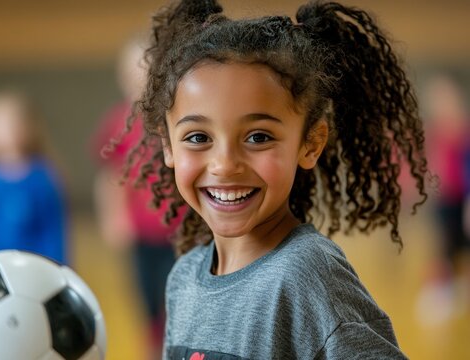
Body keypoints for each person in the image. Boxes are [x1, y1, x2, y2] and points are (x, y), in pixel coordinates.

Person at [116, 0, 429, 358]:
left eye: (258, 137)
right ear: (168, 146)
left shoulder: (306, 273)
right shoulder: (183, 278)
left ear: (310, 144)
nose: (225, 164)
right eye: (198, 137)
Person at [92, 37, 181, 359]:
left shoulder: (176, 115)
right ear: (122, 76)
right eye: (133, 68)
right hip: (142, 233)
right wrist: (113, 217)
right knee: (148, 304)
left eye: (146, 66)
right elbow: (110, 176)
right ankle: (152, 350)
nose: (140, 74)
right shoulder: (118, 122)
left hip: (181, 230)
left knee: (180, 298)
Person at [0, 89, 69, 265]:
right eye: (0, 126)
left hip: (38, 267)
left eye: (13, 124)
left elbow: (55, 230)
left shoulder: (43, 178)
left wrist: (57, 265)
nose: (8, 132)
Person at [415, 73, 470, 324]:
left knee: (459, 246)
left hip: (461, 198)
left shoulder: (462, 131)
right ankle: (439, 296)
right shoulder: (434, 130)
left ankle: (455, 291)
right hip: (443, 199)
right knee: (443, 247)